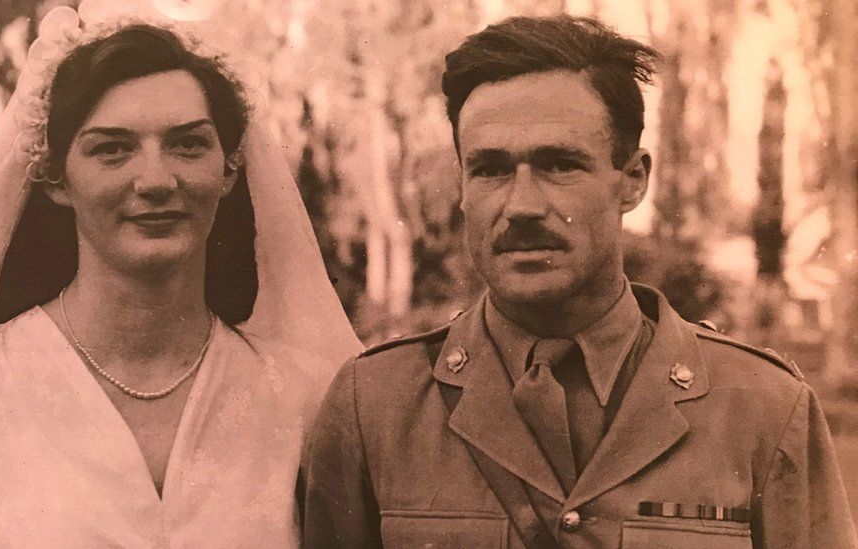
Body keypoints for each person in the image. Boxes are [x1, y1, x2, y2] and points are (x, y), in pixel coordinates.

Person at [300, 15, 857, 548]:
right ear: (463, 186)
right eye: (490, 169)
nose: (520, 206)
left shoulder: (761, 407)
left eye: (559, 164)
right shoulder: (375, 406)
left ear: (633, 180)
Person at [0, 1, 361, 547]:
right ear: (56, 178)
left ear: (228, 169)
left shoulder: (303, 398)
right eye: (112, 149)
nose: (156, 180)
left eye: (188, 144)